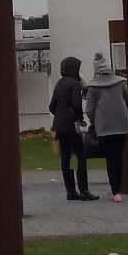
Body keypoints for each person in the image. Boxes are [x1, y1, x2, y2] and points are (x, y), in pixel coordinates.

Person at [82, 51, 128, 202]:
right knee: (119, 156)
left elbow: (90, 109)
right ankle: (120, 188)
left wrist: (94, 122)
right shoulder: (121, 83)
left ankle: (115, 190)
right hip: (122, 124)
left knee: (110, 157)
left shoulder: (93, 88)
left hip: (104, 127)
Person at [49, 56, 97, 202]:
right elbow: (76, 104)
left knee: (65, 157)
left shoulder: (60, 83)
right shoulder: (74, 84)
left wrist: (59, 116)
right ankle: (84, 190)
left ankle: (70, 191)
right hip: (71, 125)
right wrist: (79, 119)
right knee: (81, 155)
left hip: (59, 125)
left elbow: (52, 106)